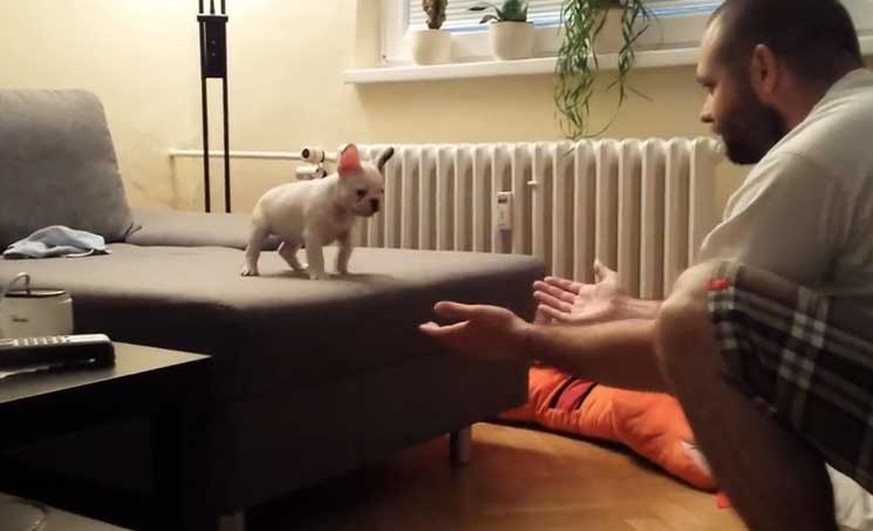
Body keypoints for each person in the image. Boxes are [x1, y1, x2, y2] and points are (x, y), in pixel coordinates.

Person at [419, 0, 873, 529]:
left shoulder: (813, 156)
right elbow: (746, 326)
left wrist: (523, 341)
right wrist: (628, 309)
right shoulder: (857, 124)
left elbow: (704, 332)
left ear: (763, 68)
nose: (706, 112)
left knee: (701, 299)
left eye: (711, 86)